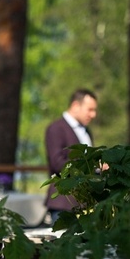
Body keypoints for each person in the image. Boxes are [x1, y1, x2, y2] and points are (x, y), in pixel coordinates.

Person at [44, 89, 98, 221]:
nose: (93, 115)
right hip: (64, 203)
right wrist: (92, 165)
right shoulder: (56, 128)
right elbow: (57, 163)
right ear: (75, 106)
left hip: (87, 203)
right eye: (90, 109)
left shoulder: (87, 131)